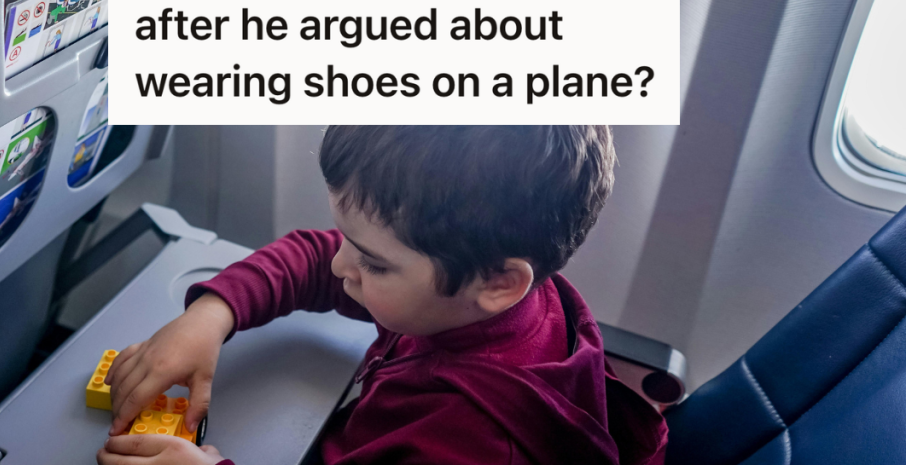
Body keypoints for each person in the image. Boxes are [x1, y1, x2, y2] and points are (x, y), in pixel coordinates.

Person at [97, 126, 668, 465]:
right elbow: (315, 259)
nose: (341, 264)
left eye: (372, 261)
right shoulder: (475, 299)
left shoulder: (470, 443)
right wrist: (210, 315)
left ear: (498, 283)